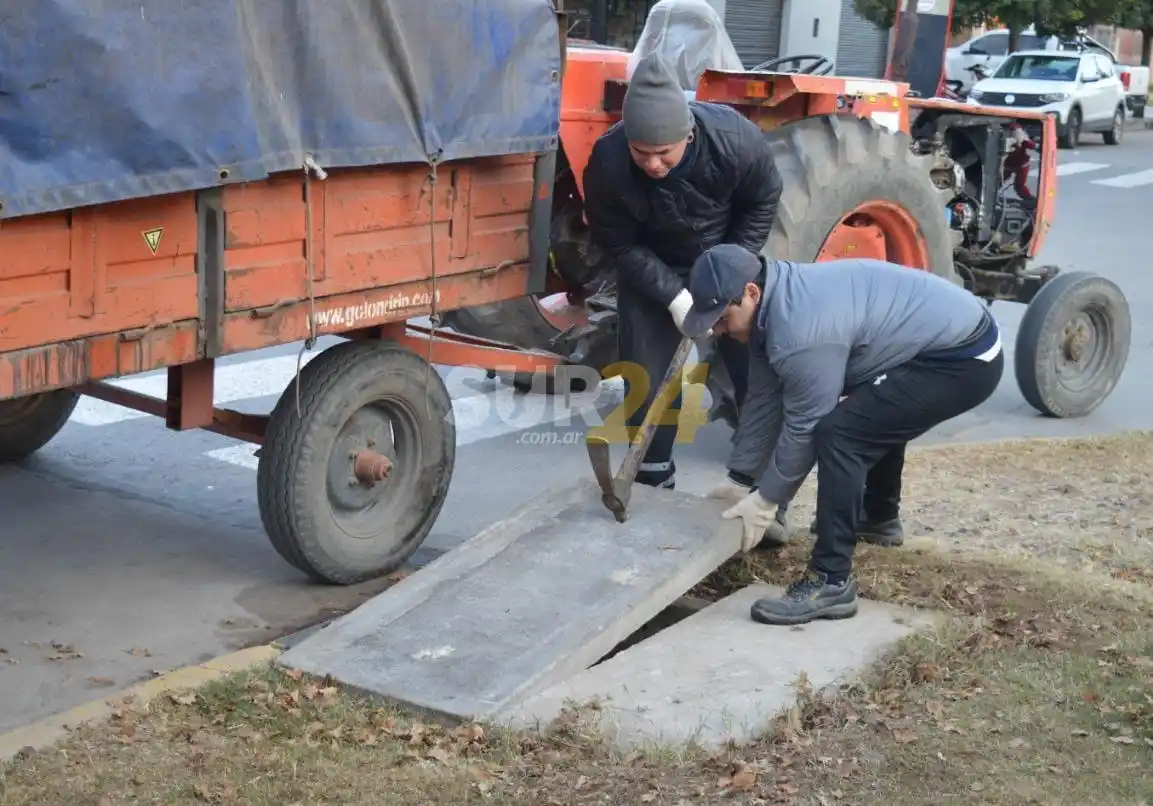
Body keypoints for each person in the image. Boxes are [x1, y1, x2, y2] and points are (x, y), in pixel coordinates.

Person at [682, 244, 1003, 626]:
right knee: (874, 407)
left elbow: (805, 424)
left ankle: (831, 580)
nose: (717, 330)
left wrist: (767, 500)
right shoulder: (771, 309)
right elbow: (766, 398)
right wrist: (740, 477)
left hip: (964, 359)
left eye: (721, 318)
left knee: (841, 434)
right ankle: (877, 517)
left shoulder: (801, 330)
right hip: (932, 343)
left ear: (751, 293)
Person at [582, 50, 783, 499]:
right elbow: (618, 243)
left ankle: (763, 490)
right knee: (647, 378)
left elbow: (764, 197)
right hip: (652, 264)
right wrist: (674, 296)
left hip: (727, 256)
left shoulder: (733, 139)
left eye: (663, 154)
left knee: (755, 370)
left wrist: (733, 266)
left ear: (688, 136)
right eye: (642, 153)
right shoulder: (609, 163)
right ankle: (653, 482)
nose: (652, 165)